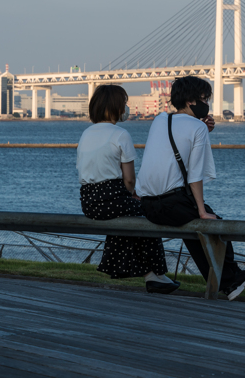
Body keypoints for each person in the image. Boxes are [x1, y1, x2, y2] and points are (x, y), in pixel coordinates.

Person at [136, 76, 245, 300]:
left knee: (195, 232)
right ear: (191, 100)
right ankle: (231, 280)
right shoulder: (197, 129)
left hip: (148, 204)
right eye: (204, 98)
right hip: (172, 203)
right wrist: (201, 210)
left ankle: (228, 283)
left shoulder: (160, 119)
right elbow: (195, 175)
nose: (206, 102)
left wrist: (201, 128)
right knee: (216, 225)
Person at [77, 84, 180, 294]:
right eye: (124, 104)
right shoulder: (120, 134)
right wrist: (132, 195)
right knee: (147, 214)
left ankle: (151, 275)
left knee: (128, 215)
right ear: (116, 107)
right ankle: (155, 274)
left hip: (88, 201)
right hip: (111, 197)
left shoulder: (86, 134)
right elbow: (130, 180)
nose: (127, 108)